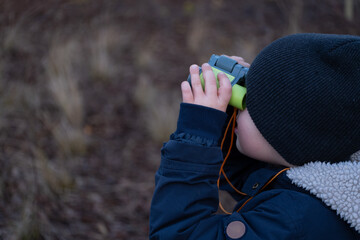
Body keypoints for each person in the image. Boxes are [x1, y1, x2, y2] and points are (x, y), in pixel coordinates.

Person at [149, 33, 360, 239]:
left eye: (250, 103)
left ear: (288, 137)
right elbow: (252, 176)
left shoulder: (291, 222)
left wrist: (196, 136)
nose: (240, 105)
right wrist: (224, 120)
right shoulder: (326, 190)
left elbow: (179, 233)